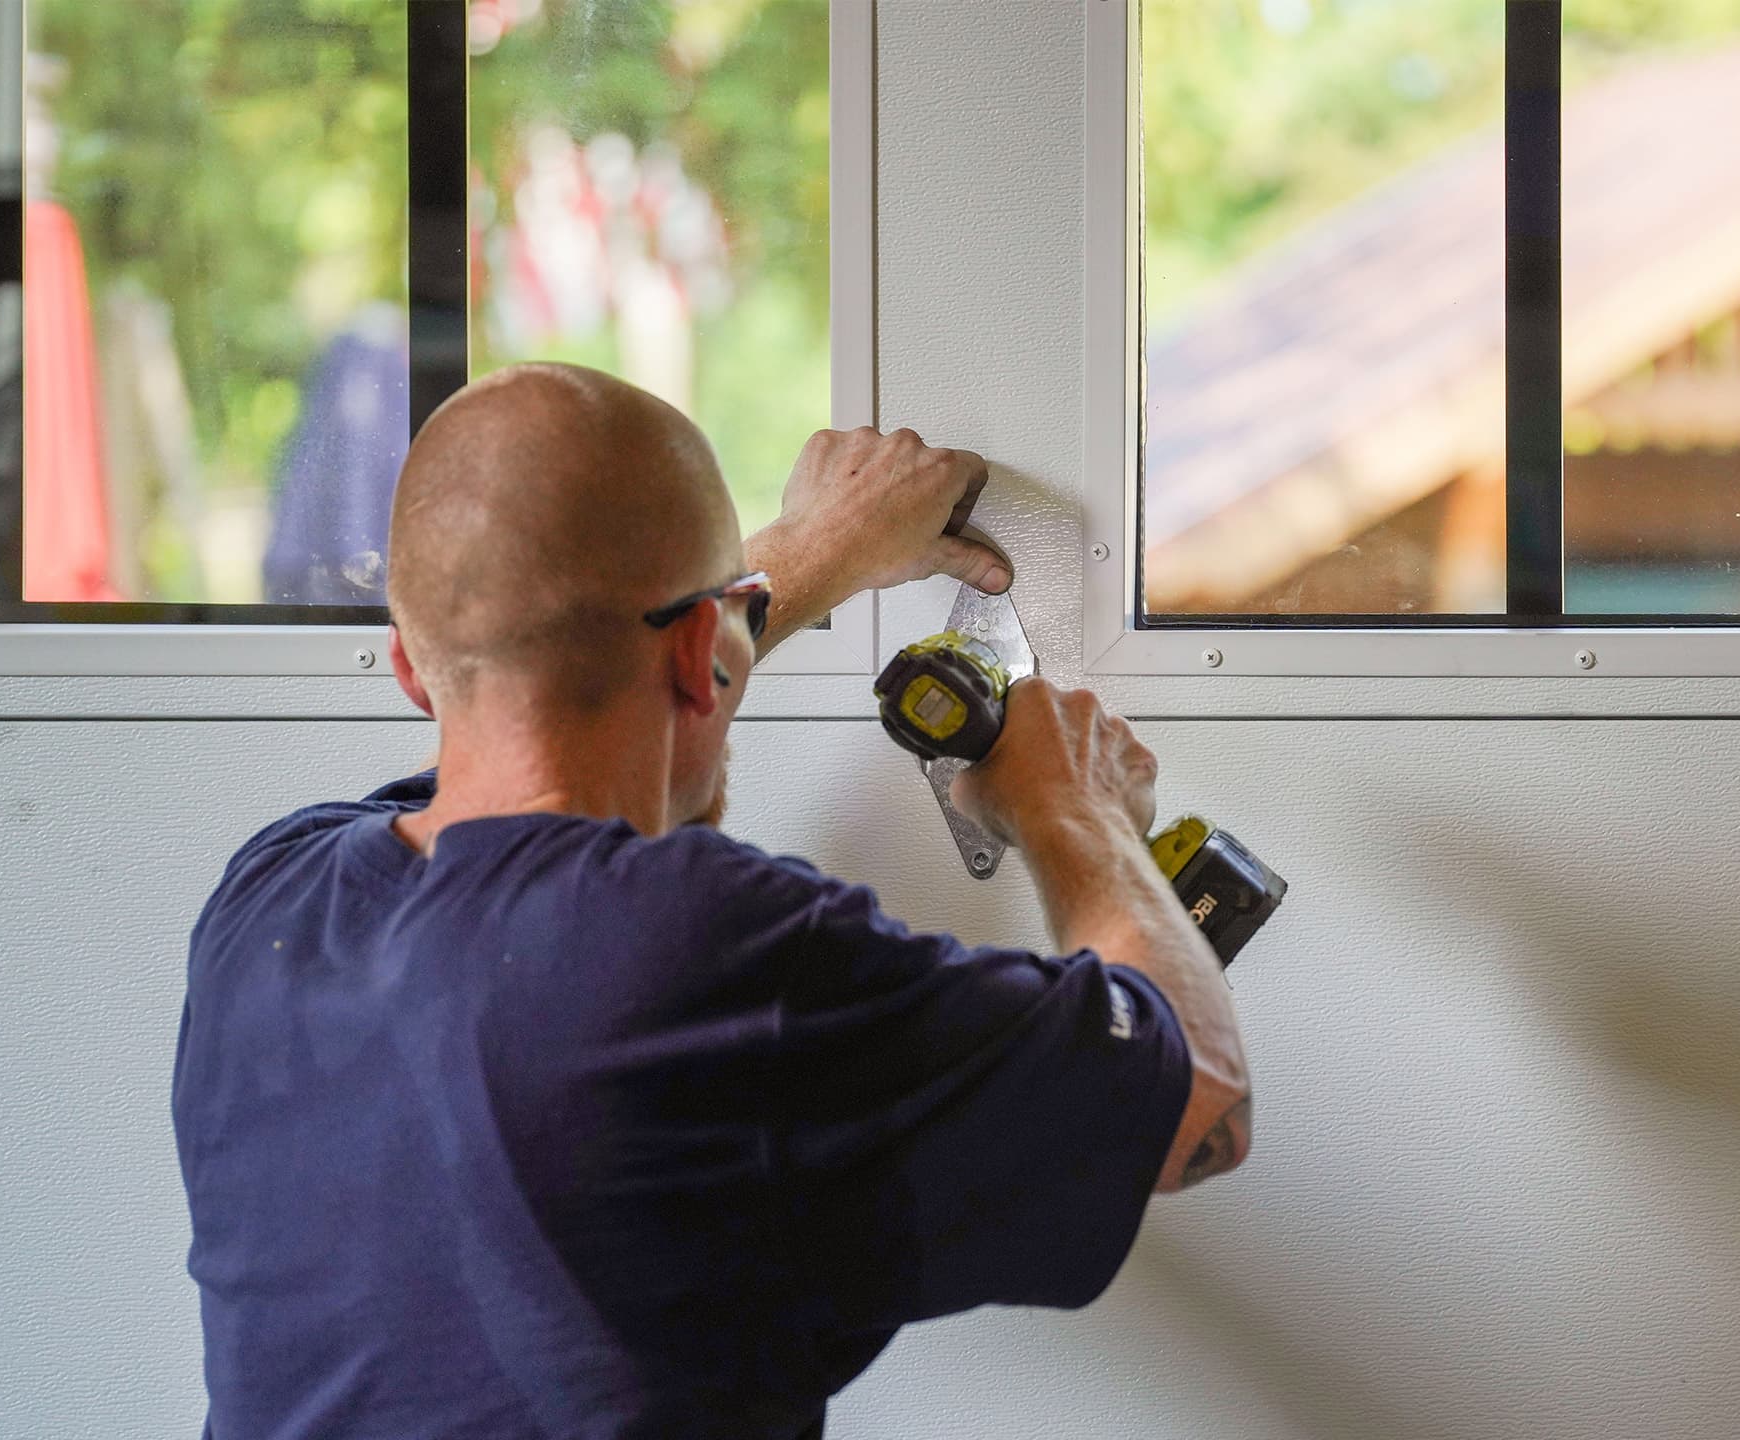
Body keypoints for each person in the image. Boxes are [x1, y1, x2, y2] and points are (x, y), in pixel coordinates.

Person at [173, 363, 1254, 1439]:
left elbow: (536, 706)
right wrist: (1068, 802)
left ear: (410, 671)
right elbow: (1195, 1104)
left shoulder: (269, 900)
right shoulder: (701, 944)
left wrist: (807, 552)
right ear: (705, 650)